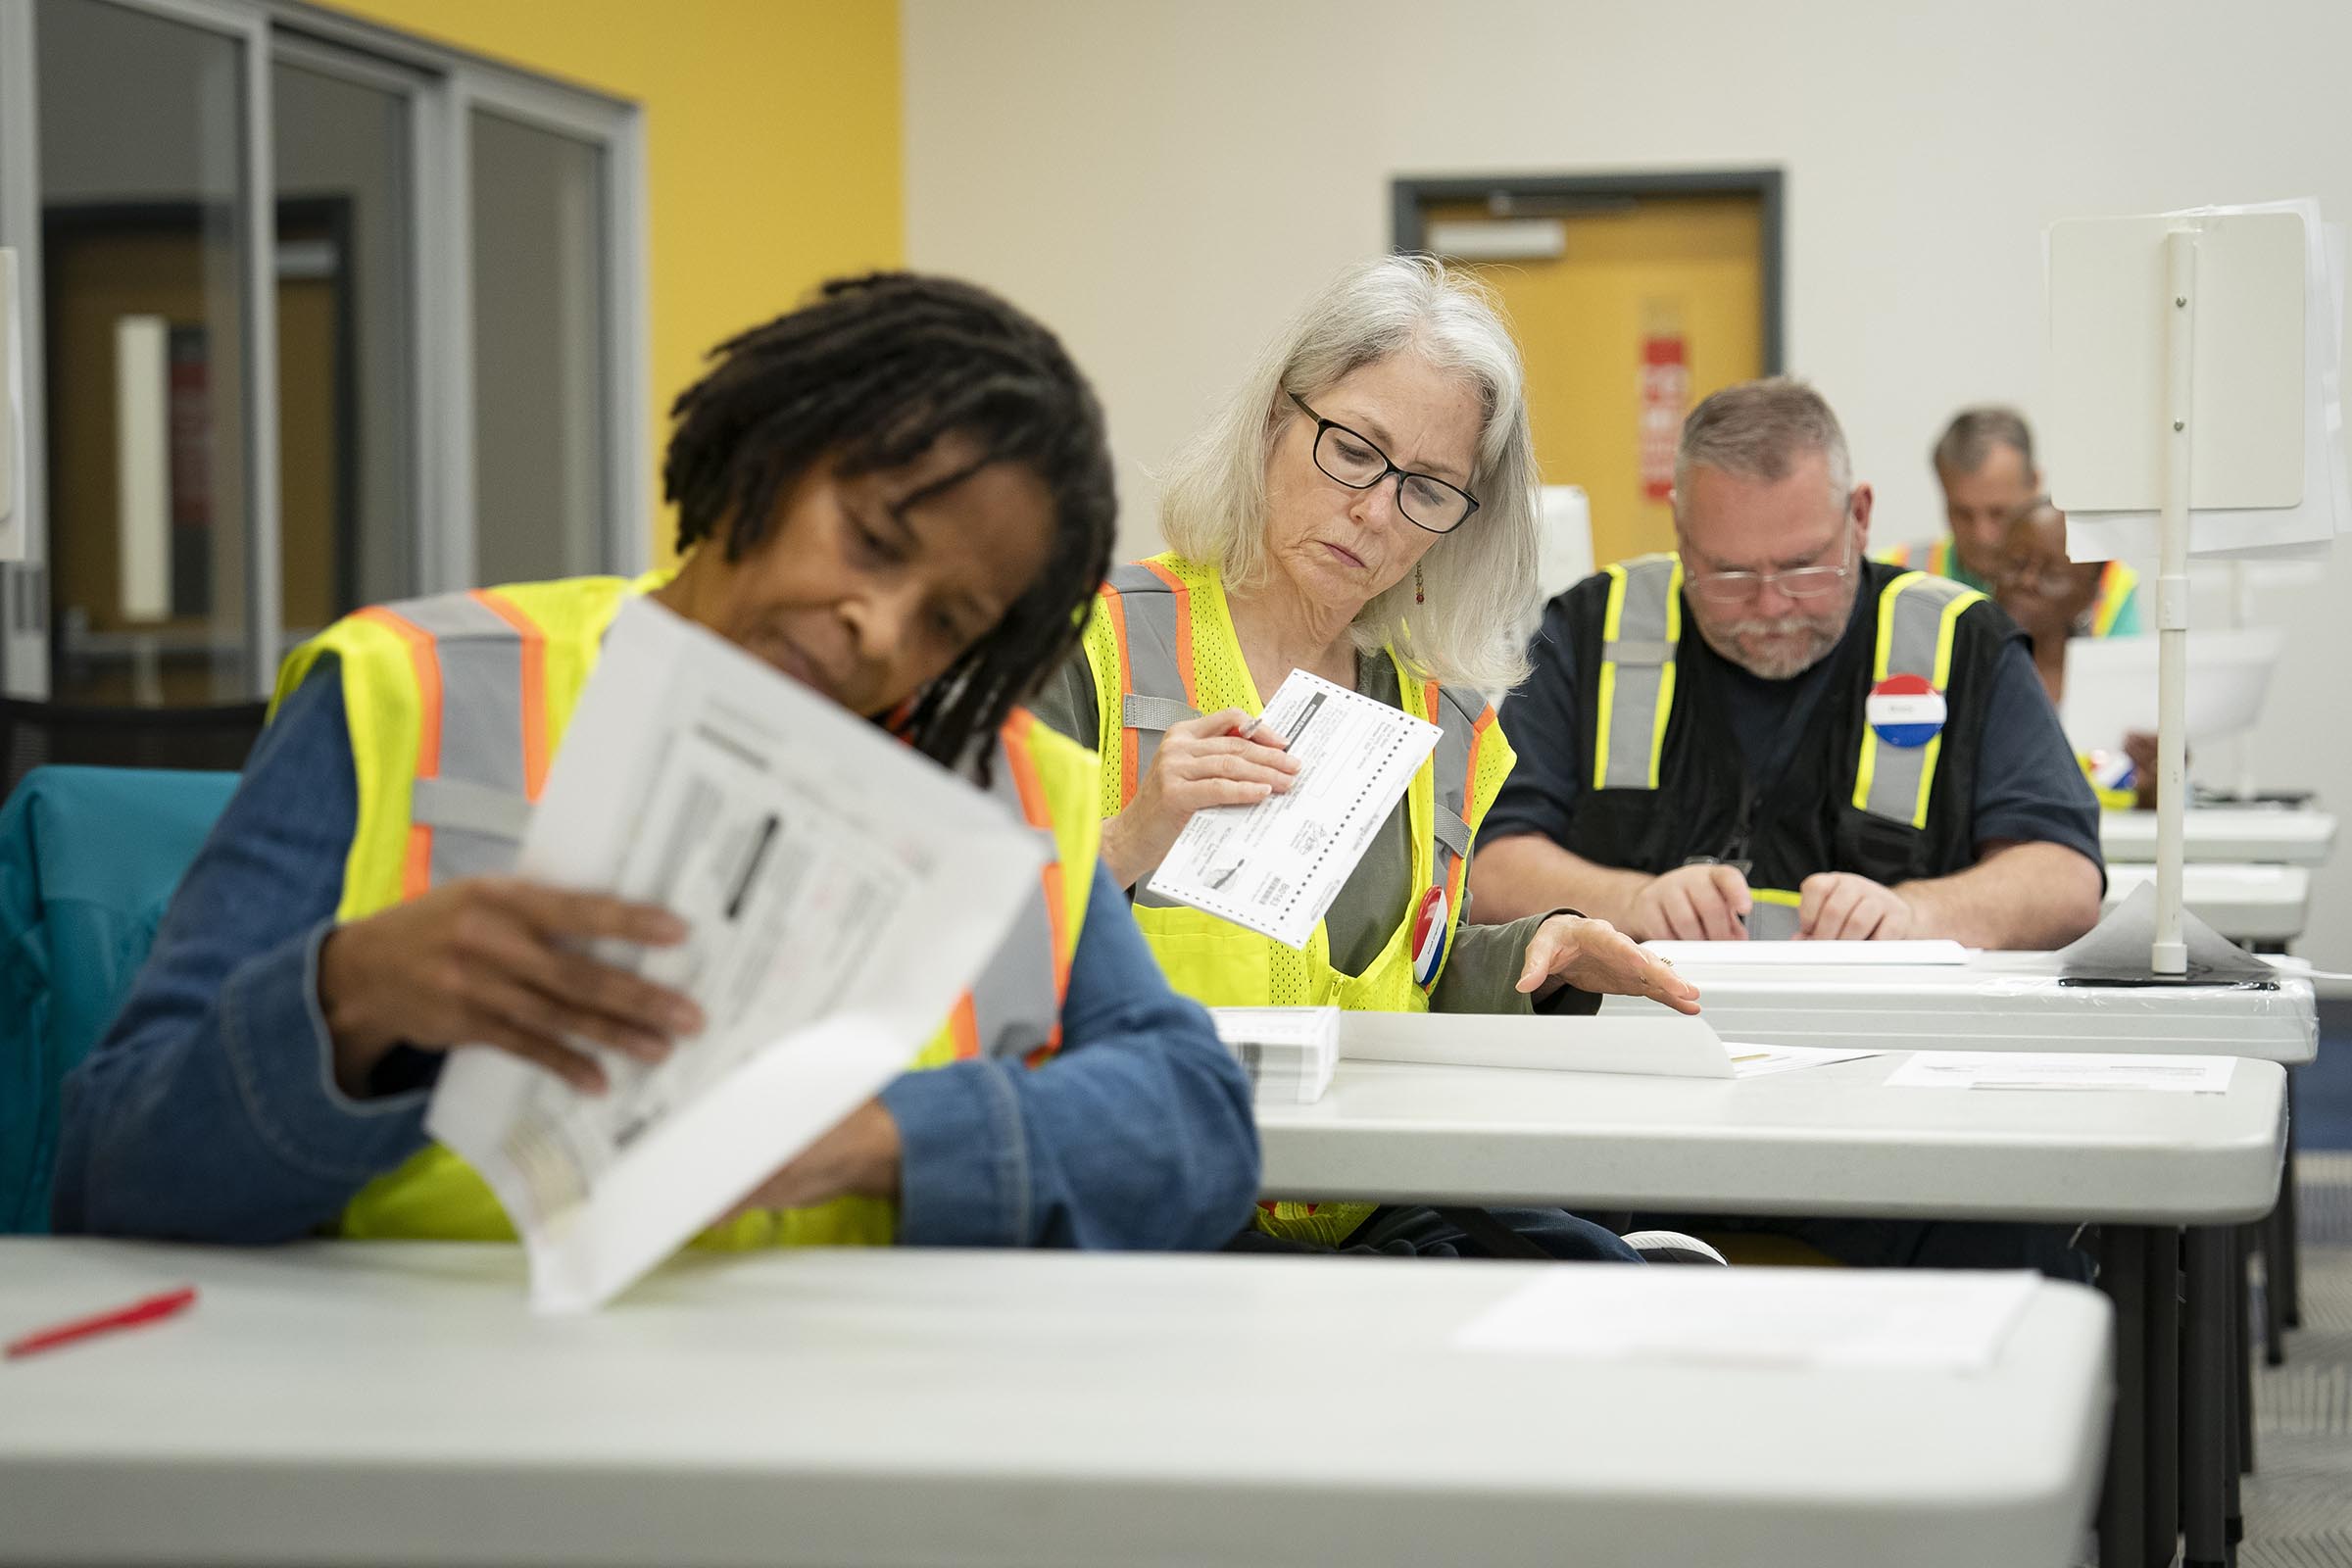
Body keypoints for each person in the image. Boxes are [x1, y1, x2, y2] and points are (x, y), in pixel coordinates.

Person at [52, 273, 1261, 1252]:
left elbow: (1195, 1126)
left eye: (949, 622)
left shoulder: (1012, 784)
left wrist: (877, 1137)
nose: (881, 629)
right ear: (766, 455)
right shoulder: (408, 687)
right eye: (870, 539)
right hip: (445, 1423)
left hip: (865, 1438)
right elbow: (113, 1167)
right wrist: (351, 995)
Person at [1031, 255, 1702, 1263]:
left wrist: (1533, 953)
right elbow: (969, 955)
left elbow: (1396, 985)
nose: (1379, 513)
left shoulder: (1439, 708)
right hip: (1151, 1188)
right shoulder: (1088, 644)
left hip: (1363, 1190)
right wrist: (1126, 840)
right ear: (1273, 421)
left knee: (1596, 1271)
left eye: (1429, 488)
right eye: (1354, 451)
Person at [1469, 376, 2105, 950]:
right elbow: (1490, 863)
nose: (1770, 605)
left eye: (1803, 566)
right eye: (1728, 572)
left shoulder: (1962, 643)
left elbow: (2065, 879)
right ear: (1683, 532)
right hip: (1640, 1036)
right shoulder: (1590, 631)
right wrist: (1630, 903)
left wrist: (1913, 914)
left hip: (1887, 1041)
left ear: (1859, 517)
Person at [1994, 498, 2154, 808]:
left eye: (2051, 573)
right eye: (2016, 563)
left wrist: (2155, 784)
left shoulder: (2121, 687)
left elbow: (2156, 808)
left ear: (2090, 595)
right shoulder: (1966, 668)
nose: (2027, 581)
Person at [1881, 406, 2047, 593]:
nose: (1982, 536)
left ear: (2034, 484)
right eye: (1963, 514)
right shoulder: (1890, 580)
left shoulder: (2080, 585)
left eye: (1999, 513)